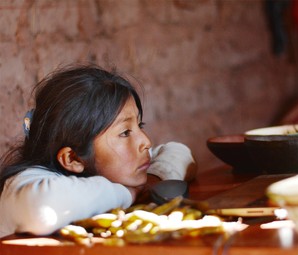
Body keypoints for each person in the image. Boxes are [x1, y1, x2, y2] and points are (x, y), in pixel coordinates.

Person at [0, 64, 197, 238]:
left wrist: (153, 181)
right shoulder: (24, 189)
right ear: (73, 158)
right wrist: (129, 194)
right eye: (125, 132)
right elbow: (44, 209)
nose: (146, 141)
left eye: (140, 125)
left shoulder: (115, 168)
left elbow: (178, 152)